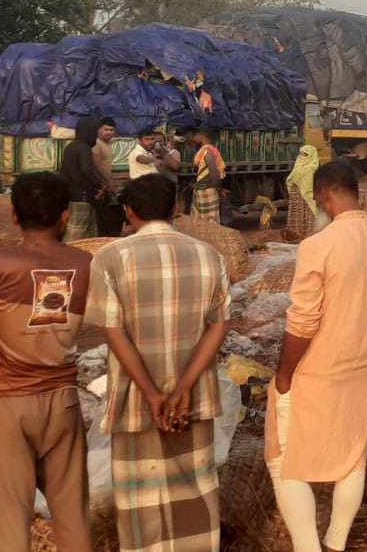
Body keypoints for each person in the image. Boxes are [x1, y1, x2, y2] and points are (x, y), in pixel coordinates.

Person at [84, 174, 232, 552]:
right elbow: (218, 328)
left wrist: (152, 393)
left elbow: (113, 332)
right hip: (192, 398)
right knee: (195, 486)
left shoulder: (110, 258)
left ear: (129, 212)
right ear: (177, 209)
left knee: (140, 498)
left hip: (137, 399)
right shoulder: (208, 255)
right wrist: (182, 387)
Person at [267, 161, 367, 552]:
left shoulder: (318, 246)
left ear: (324, 194)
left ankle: (308, 547)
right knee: (351, 459)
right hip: (361, 366)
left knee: (285, 461)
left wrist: (284, 373)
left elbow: (302, 323)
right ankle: (336, 543)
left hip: (315, 371)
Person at [0, 173, 93, 552]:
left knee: (11, 522)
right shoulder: (85, 264)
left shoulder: (4, 262)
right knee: (73, 519)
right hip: (64, 402)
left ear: (14, 217)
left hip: (9, 404)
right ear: (66, 217)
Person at [59, 117, 102, 242]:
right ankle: (73, 256)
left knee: (78, 226)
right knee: (78, 230)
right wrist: (98, 185)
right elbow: (86, 170)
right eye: (95, 131)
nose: (96, 135)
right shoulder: (84, 148)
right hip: (82, 194)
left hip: (72, 193)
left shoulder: (71, 146)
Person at [92, 117, 124, 236]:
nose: (109, 132)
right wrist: (107, 183)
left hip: (107, 186)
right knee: (103, 221)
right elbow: (97, 167)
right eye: (106, 129)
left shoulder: (107, 144)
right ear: (98, 130)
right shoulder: (97, 144)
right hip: (102, 187)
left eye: (111, 130)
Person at [285, 145, 323, 241]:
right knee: (297, 213)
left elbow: (311, 181)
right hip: (297, 193)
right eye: (301, 153)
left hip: (308, 194)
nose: (301, 155)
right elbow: (292, 176)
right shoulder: (298, 162)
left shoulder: (312, 166)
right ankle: (295, 235)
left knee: (309, 212)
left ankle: (309, 235)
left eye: (304, 154)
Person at [190, 127, 225, 223]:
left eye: (195, 135)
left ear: (202, 136)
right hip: (205, 189)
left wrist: (218, 189)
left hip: (207, 190)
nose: (193, 137)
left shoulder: (207, 152)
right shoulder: (209, 150)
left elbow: (214, 174)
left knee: (209, 222)